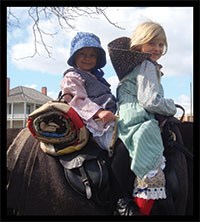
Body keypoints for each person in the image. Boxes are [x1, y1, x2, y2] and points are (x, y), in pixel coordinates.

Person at [60, 32, 140, 216]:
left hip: (110, 117)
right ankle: (119, 198)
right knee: (123, 145)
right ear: (74, 57)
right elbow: (76, 100)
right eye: (83, 54)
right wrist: (98, 112)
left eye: (92, 55)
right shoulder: (73, 76)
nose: (88, 58)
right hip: (93, 123)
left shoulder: (97, 78)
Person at [108, 21, 177, 215]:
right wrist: (170, 106)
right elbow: (150, 101)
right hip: (139, 117)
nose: (157, 48)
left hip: (125, 116)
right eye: (152, 43)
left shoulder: (135, 66)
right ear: (140, 44)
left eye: (161, 44)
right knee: (151, 151)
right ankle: (140, 210)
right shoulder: (146, 65)